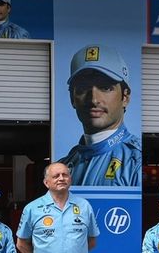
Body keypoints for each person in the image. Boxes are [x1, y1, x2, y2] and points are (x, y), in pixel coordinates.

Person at [58, 44, 142, 187]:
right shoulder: (64, 167)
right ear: (72, 98)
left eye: (105, 88)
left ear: (125, 97)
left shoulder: (137, 162)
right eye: (83, 88)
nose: (94, 99)